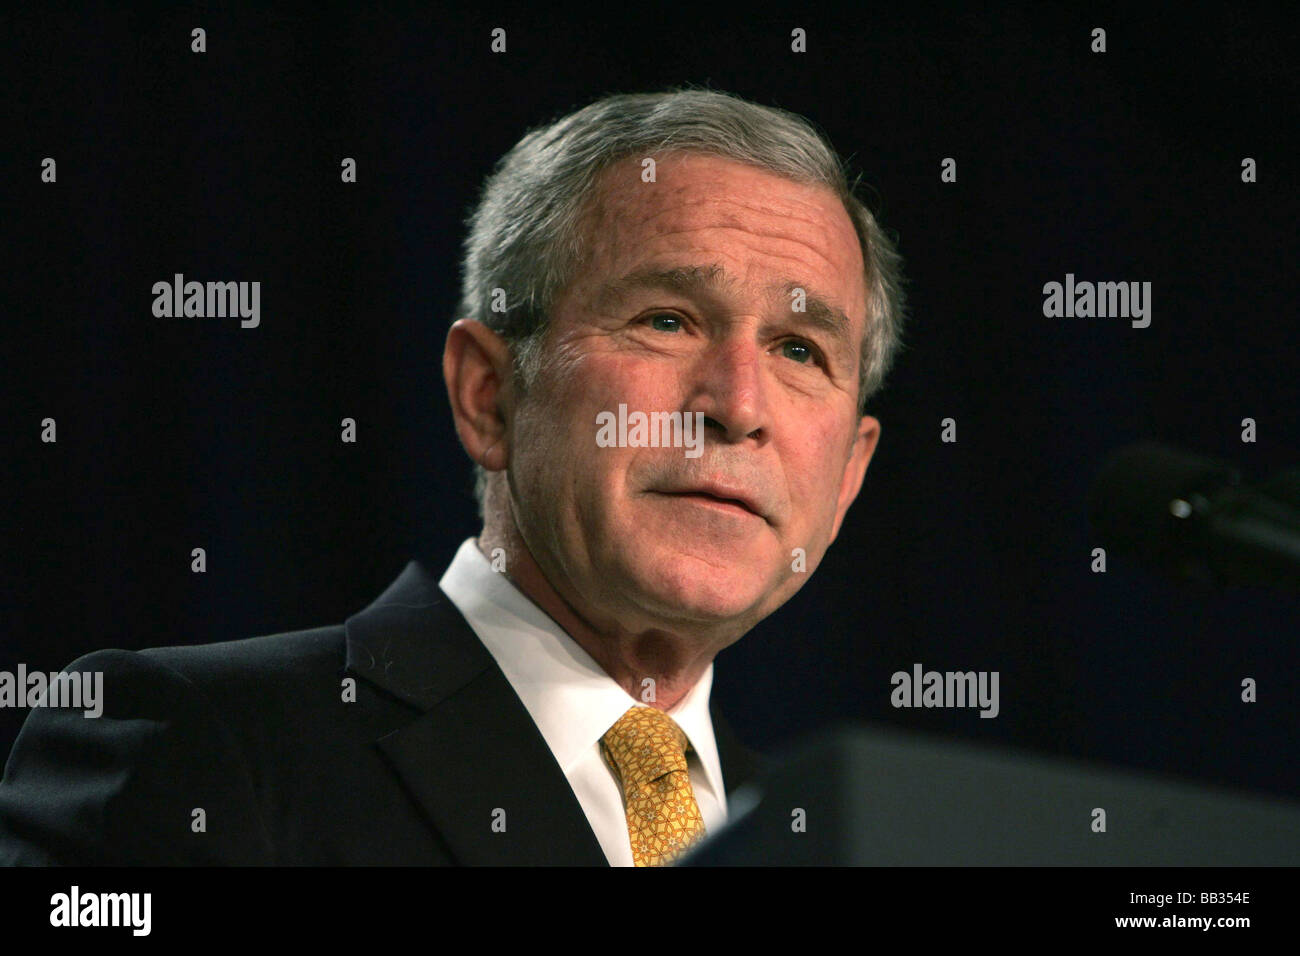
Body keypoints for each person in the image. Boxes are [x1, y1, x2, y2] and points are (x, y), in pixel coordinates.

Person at [0, 87, 906, 866]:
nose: (738, 404)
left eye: (799, 348)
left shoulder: (826, 841)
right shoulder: (198, 747)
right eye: (666, 319)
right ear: (489, 395)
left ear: (848, 478)